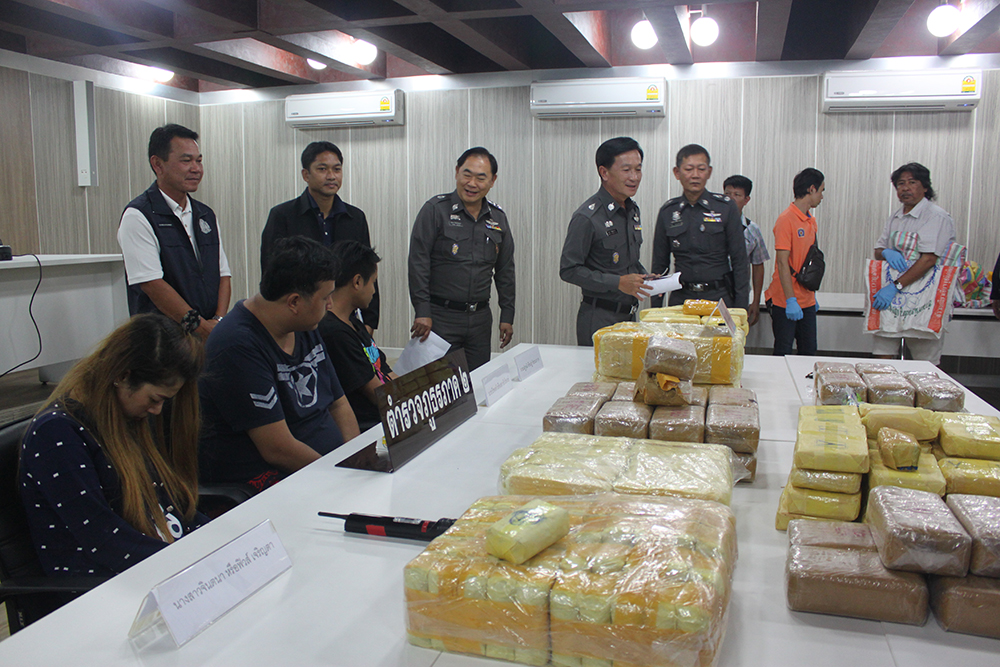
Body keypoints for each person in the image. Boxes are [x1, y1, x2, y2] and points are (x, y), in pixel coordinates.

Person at [20, 314, 207, 578]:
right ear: (123, 375)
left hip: (150, 565)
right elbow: (105, 541)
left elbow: (170, 505)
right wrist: (191, 564)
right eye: (155, 399)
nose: (157, 410)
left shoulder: (124, 418)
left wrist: (220, 543)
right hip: (101, 587)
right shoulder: (56, 435)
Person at [198, 236, 360, 494]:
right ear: (294, 302)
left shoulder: (305, 324)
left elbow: (338, 404)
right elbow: (277, 449)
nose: (330, 305)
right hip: (273, 484)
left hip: (325, 473)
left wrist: (357, 462)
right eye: (325, 297)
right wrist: (340, 479)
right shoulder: (236, 345)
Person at [118, 124, 232, 339]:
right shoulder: (138, 215)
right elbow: (152, 284)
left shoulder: (205, 214)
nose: (196, 169)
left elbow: (223, 274)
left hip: (208, 335)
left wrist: (218, 321)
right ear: (158, 164)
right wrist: (201, 328)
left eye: (199, 160)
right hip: (162, 341)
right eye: (186, 160)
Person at [408, 147, 515, 370]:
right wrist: (422, 311)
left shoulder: (498, 218)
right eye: (467, 174)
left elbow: (505, 270)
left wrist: (507, 314)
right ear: (457, 172)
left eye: (481, 178)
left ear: (493, 181)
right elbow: (418, 263)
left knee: (476, 382)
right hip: (440, 318)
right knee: (441, 384)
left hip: (480, 320)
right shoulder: (435, 210)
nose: (472, 183)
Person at [260, 141, 379, 331]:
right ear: (306, 175)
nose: (331, 176)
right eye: (322, 169)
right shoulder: (283, 216)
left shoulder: (355, 217)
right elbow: (271, 272)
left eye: (337, 169)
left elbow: (367, 271)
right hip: (299, 319)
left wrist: (369, 322)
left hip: (344, 320)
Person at [560, 137, 650, 346]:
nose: (634, 177)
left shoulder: (632, 210)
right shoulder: (587, 217)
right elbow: (568, 270)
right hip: (599, 318)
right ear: (604, 172)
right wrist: (618, 283)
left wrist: (645, 277)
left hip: (629, 317)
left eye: (638, 169)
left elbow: (626, 262)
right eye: (626, 170)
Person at [871, 163, 957, 364]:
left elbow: (928, 259)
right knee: (883, 355)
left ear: (925, 187)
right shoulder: (896, 217)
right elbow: (878, 250)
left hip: (925, 297)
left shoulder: (936, 216)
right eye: (901, 183)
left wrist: (896, 286)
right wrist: (886, 252)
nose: (905, 188)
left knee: (924, 362)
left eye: (912, 182)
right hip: (892, 299)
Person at [652, 144, 749, 309]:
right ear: (677, 172)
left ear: (709, 172)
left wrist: (741, 309)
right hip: (682, 299)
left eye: (701, 169)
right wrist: (655, 310)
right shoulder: (668, 212)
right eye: (689, 169)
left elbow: (740, 261)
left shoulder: (725, 208)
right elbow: (659, 266)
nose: (695, 175)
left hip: (719, 297)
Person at [321, 240, 397, 432]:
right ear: (357, 282)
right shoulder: (335, 332)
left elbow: (386, 372)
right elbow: (376, 393)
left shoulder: (354, 323)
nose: (374, 290)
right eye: (373, 282)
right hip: (370, 426)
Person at [764, 168, 825, 356]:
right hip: (785, 300)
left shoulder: (811, 221)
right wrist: (791, 300)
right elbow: (783, 263)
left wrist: (812, 295)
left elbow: (809, 261)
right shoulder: (786, 220)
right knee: (783, 351)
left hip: (807, 299)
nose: (822, 196)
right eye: (821, 191)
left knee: (809, 351)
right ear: (812, 189)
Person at [723, 175, 771, 325]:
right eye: (727, 194)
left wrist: (756, 301)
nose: (731, 199)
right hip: (714, 292)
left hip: (738, 294)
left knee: (737, 333)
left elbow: (758, 266)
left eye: (737, 195)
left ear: (746, 200)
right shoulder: (712, 225)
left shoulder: (752, 229)